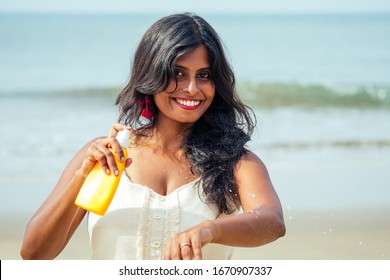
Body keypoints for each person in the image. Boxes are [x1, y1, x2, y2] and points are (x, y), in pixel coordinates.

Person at [20, 13, 285, 260]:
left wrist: (210, 230)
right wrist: (82, 176)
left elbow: (271, 222)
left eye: (203, 75)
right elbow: (34, 253)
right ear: (152, 73)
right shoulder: (106, 156)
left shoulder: (236, 162)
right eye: (178, 73)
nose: (192, 89)